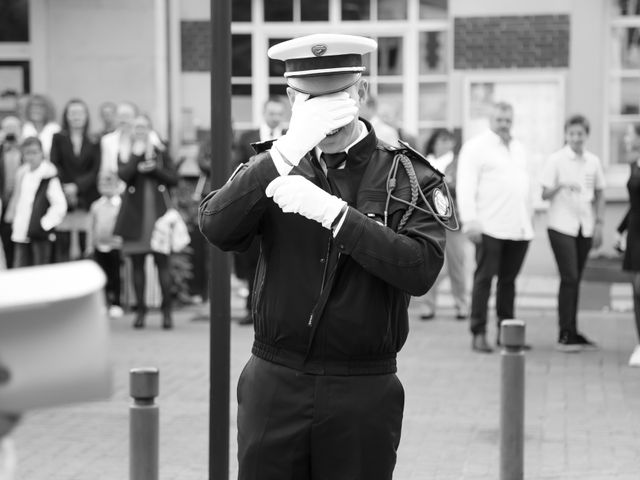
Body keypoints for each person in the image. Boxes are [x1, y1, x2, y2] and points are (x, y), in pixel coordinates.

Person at [199, 33, 449, 480]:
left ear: (363, 92)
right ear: (293, 99)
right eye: (312, 101)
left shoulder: (405, 174)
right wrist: (283, 153)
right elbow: (216, 225)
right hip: (276, 379)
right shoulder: (275, 162)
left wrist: (339, 217)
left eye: (339, 97)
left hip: (362, 386)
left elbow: (420, 268)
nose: (327, 117)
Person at [457, 102, 535, 353]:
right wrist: (470, 221)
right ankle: (478, 332)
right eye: (499, 119)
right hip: (488, 226)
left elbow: (525, 186)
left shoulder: (519, 147)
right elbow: (466, 186)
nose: (504, 124)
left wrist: (529, 219)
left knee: (509, 282)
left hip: (518, 227)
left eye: (508, 120)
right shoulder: (476, 147)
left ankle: (507, 333)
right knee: (484, 280)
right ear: (490, 120)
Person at [541, 115, 605, 352]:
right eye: (572, 134)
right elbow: (544, 194)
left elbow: (600, 193)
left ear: (586, 135)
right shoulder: (556, 160)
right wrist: (561, 185)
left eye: (580, 134)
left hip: (584, 227)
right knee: (569, 277)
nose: (576, 138)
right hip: (560, 227)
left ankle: (573, 330)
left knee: (576, 279)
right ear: (566, 135)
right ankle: (565, 333)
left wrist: (599, 224)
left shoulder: (593, 161)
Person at [114, 114, 178, 329]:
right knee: (138, 264)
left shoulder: (160, 148)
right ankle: (140, 311)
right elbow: (123, 175)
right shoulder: (126, 149)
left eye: (144, 126)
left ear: (150, 128)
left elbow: (173, 178)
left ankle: (167, 312)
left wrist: (155, 169)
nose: (140, 130)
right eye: (136, 127)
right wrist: (136, 156)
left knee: (163, 265)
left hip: (158, 214)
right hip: (136, 215)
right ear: (132, 130)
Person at [232, 97, 287, 325]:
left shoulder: (292, 135)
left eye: (278, 113)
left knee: (282, 257)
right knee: (252, 259)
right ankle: (251, 309)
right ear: (264, 113)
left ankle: (279, 310)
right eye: (271, 113)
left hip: (284, 204)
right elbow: (238, 168)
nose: (274, 117)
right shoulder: (247, 137)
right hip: (254, 205)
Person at [419, 128, 468, 320]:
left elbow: (460, 187)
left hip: (453, 220)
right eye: (441, 140)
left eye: (448, 140)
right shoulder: (424, 161)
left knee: (456, 265)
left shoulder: (457, 163)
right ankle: (428, 306)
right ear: (434, 142)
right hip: (427, 219)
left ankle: (461, 304)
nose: (445, 144)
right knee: (429, 264)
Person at [50, 99, 100, 262]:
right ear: (66, 116)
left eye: (80, 113)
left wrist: (77, 187)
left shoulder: (94, 140)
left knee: (86, 245)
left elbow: (95, 169)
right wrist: (67, 188)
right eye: (72, 113)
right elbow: (55, 164)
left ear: (86, 116)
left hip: (86, 197)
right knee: (63, 246)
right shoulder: (58, 138)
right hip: (64, 198)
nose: (76, 117)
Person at [5, 137, 67, 267]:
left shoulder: (48, 175)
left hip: (40, 234)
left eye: (34, 152)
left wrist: (44, 224)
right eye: (27, 153)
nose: (31, 157)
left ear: (41, 153)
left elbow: (60, 205)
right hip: (21, 232)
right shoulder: (23, 174)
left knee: (40, 272)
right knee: (21, 270)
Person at [616, 123, 640, 366]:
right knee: (636, 289)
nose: (626, 139)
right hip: (635, 234)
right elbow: (634, 204)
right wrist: (620, 230)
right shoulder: (634, 165)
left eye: (629, 134)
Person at [86, 171, 124, 318]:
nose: (106, 186)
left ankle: (116, 303)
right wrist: (89, 245)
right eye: (102, 183)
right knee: (102, 277)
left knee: (115, 276)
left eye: (109, 183)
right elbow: (91, 227)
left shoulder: (120, 204)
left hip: (115, 246)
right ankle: (104, 303)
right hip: (99, 246)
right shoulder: (96, 205)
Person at [0, 116, 23, 268]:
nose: (10, 131)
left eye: (14, 127)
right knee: (6, 239)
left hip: (22, 200)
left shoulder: (25, 148)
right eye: (7, 128)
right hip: (3, 200)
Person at [21, 94, 60, 159]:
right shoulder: (24, 128)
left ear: (48, 109)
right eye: (32, 106)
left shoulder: (55, 129)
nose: (36, 109)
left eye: (40, 106)